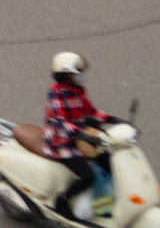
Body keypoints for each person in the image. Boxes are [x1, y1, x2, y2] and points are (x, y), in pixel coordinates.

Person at [43, 52, 113, 218]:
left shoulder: (78, 90)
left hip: (80, 138)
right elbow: (62, 122)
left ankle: (102, 203)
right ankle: (62, 201)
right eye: (77, 72)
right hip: (61, 141)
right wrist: (83, 135)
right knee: (87, 176)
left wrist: (114, 119)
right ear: (67, 74)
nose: (81, 76)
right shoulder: (56, 93)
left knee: (109, 163)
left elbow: (91, 111)